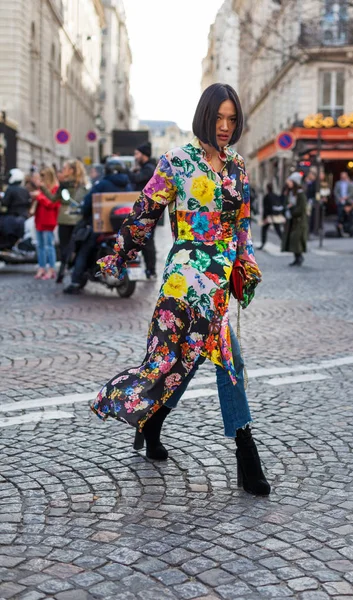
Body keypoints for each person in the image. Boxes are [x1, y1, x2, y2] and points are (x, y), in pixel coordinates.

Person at [91, 83, 270, 497]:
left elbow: (242, 227)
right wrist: (119, 257)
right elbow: (144, 212)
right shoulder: (176, 162)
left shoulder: (239, 168)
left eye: (231, 119)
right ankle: (245, 454)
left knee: (190, 362)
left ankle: (158, 425)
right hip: (185, 279)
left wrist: (247, 265)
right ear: (204, 117)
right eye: (218, 117)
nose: (225, 126)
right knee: (204, 360)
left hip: (220, 280)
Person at [63, 159, 132, 294]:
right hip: (122, 226)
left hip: (102, 226)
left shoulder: (102, 184)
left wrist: (84, 212)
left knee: (84, 249)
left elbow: (88, 203)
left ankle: (76, 281)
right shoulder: (128, 184)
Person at [38, 160, 88, 283]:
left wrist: (43, 188)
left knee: (64, 246)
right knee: (77, 246)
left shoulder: (64, 184)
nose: (62, 170)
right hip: (78, 218)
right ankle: (76, 270)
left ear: (71, 170)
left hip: (65, 218)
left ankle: (63, 270)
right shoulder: (83, 185)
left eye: (65, 168)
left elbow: (53, 199)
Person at [129, 143, 157, 279]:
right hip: (144, 209)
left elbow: (137, 179)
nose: (135, 157)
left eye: (137, 154)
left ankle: (151, 270)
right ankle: (149, 269)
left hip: (149, 211)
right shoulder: (144, 168)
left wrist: (127, 172)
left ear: (143, 154)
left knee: (148, 241)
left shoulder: (149, 169)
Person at [32, 167, 60, 279]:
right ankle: (42, 267)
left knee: (49, 246)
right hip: (40, 219)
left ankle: (51, 269)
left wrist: (39, 197)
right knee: (40, 246)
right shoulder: (42, 189)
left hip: (48, 220)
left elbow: (52, 204)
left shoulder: (55, 188)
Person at [281, 172, 308, 266]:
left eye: (291, 181)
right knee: (293, 239)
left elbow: (301, 208)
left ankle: (299, 257)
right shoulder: (292, 193)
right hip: (293, 220)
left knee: (296, 239)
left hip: (299, 221)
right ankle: (297, 257)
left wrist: (291, 210)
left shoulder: (300, 194)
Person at [0, 169, 32, 244]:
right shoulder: (25, 190)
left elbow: (5, 203)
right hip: (23, 218)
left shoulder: (10, 189)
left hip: (10, 219)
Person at [258, 183, 284, 249]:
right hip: (275, 216)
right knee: (278, 230)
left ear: (267, 188)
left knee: (264, 230)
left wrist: (265, 218)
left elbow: (265, 208)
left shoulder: (266, 196)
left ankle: (263, 243)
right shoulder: (276, 196)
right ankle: (284, 243)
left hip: (269, 216)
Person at [334, 172, 353, 237]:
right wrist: (339, 198)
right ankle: (340, 231)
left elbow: (352, 192)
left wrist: (346, 197)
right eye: (342, 176)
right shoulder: (338, 183)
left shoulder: (350, 184)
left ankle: (350, 231)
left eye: (344, 176)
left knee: (350, 217)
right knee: (340, 217)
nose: (343, 177)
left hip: (348, 202)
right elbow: (336, 192)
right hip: (340, 202)